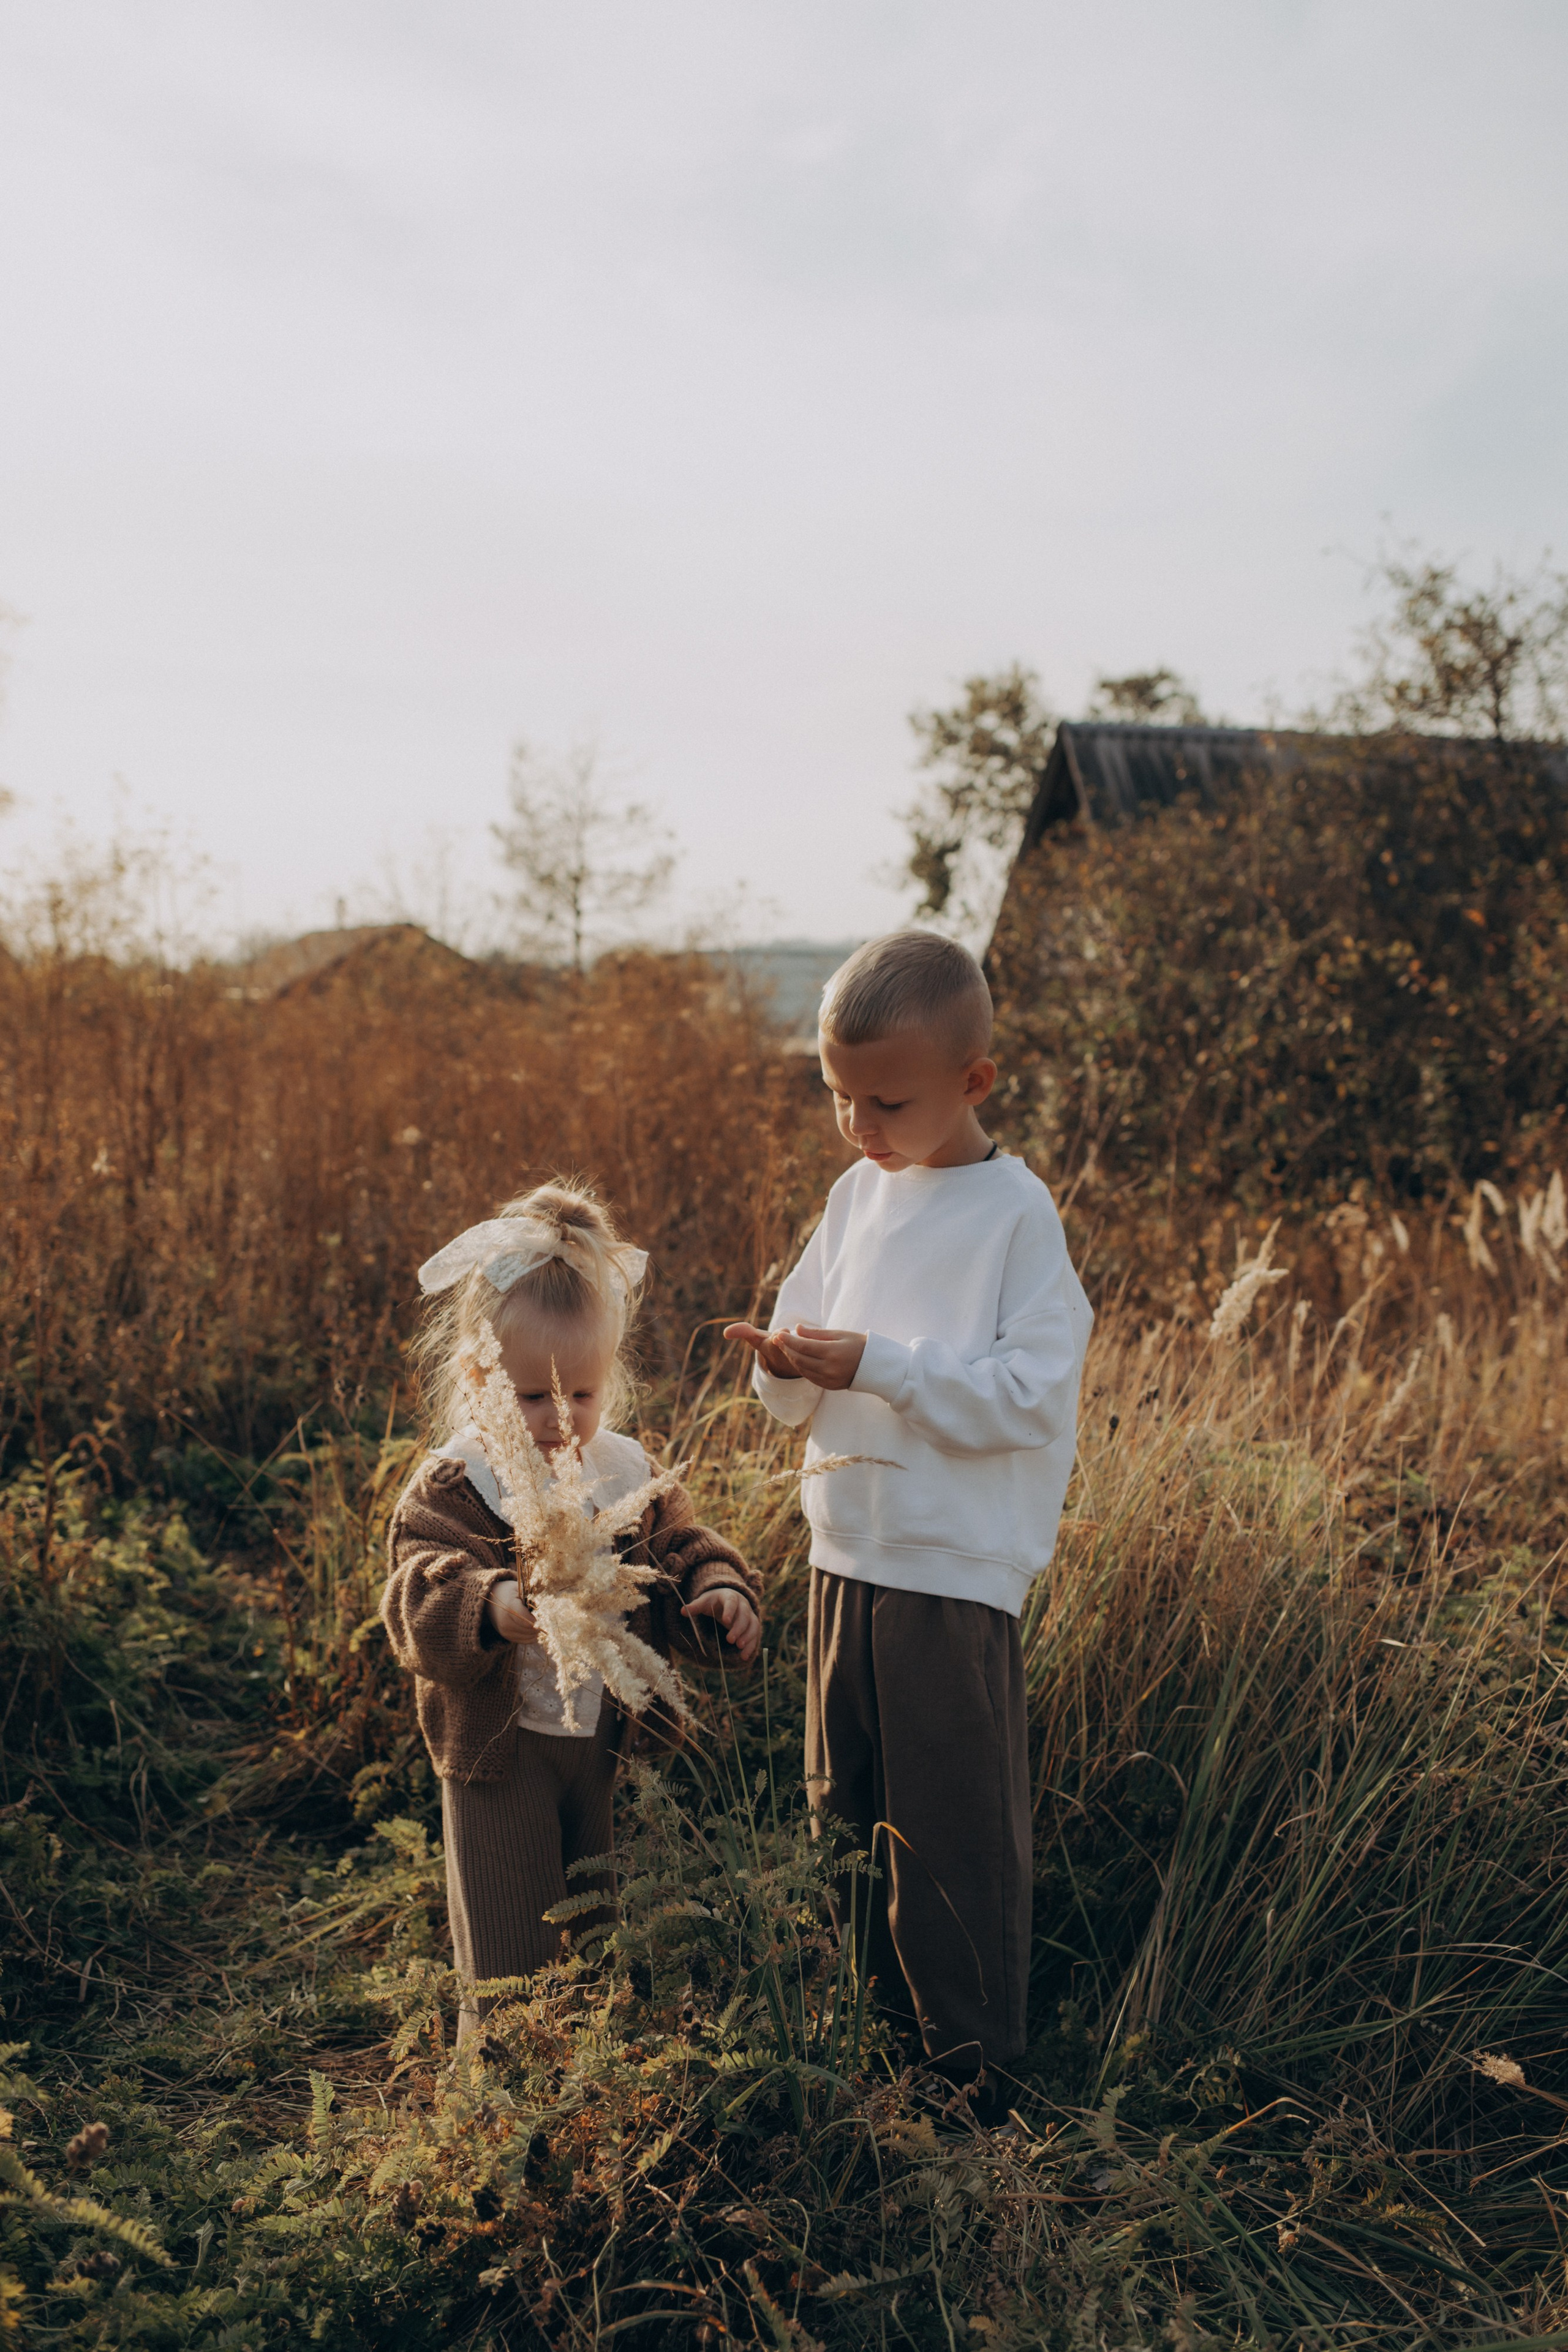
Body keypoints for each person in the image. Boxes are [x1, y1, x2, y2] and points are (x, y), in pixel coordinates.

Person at [727, 931, 1091, 2125]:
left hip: (949, 1568)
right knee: (843, 1808)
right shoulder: (853, 1194)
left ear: (973, 1082)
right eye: (837, 1096)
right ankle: (862, 2048)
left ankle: (968, 2082)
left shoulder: (1011, 1214)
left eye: (885, 1099)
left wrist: (879, 1363)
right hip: (845, 1549)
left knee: (949, 1831)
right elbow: (795, 1376)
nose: (858, 1124)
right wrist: (784, 1368)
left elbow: (1027, 1398)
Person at [383, 1180, 761, 2042]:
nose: (559, 1420)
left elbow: (680, 1552)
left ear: (609, 1383)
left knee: (600, 1925)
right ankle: (510, 2108)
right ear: (477, 1377)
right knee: (514, 1953)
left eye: (582, 1395)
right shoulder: (457, 1485)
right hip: (499, 1753)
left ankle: (596, 2086)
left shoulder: (623, 1474)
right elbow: (417, 1593)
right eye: (528, 1397)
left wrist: (722, 1595)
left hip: (600, 1746)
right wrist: (495, 1604)